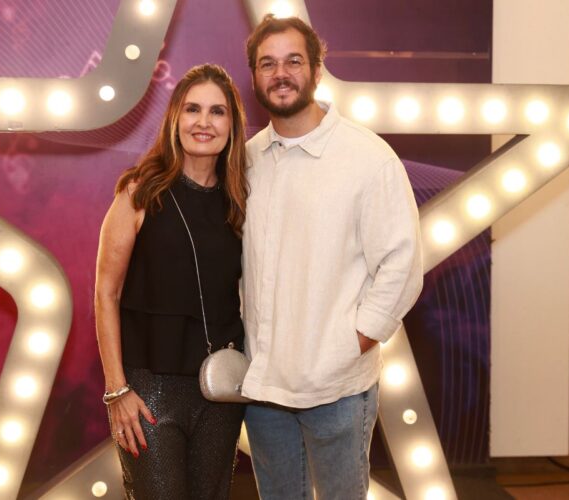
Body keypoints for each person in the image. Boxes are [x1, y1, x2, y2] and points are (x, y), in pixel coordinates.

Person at [241, 15, 424, 499]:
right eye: (268, 64)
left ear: (317, 71)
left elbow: (403, 265)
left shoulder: (367, 158)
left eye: (294, 61)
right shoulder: (247, 160)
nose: (281, 73)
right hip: (263, 390)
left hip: (337, 388)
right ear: (255, 77)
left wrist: (351, 342)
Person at [94, 64, 249, 500]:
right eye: (192, 109)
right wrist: (116, 390)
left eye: (217, 112)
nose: (204, 122)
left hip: (220, 391)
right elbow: (106, 293)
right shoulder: (139, 192)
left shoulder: (241, 201)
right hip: (148, 390)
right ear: (174, 120)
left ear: (232, 125)